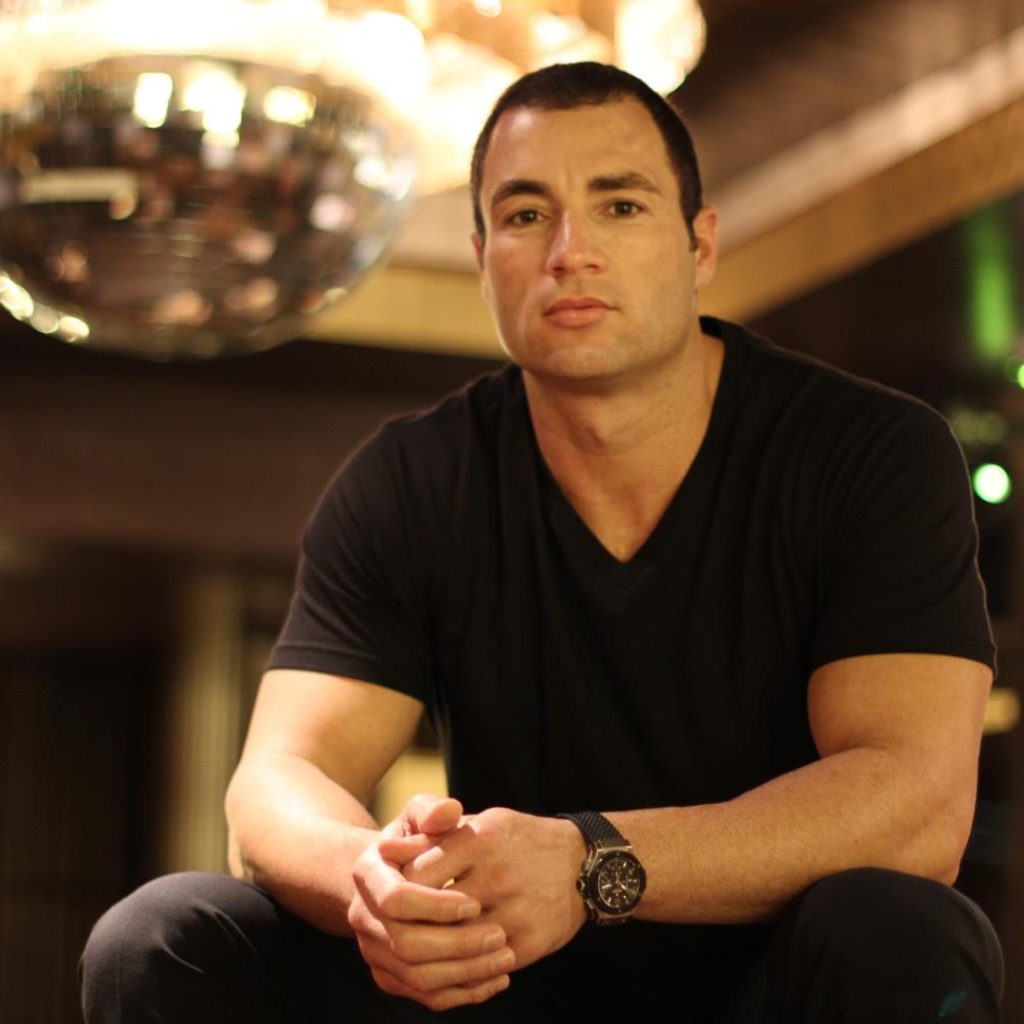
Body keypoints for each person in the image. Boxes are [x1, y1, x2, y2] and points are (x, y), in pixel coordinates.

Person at [80, 62, 1004, 1022]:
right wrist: (377, 879)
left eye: (620, 207)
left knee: (898, 925)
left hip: (768, 983)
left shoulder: (868, 454)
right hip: (493, 977)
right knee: (162, 934)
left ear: (699, 244)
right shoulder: (411, 481)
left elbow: (916, 805)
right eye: (527, 215)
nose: (571, 252)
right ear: (482, 259)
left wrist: (588, 861)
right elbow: (281, 779)